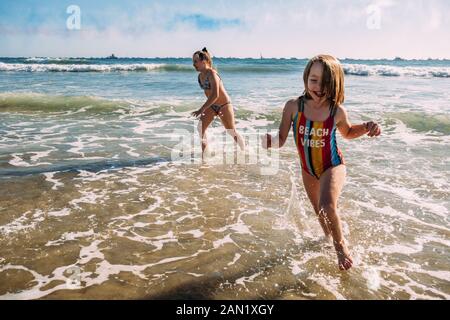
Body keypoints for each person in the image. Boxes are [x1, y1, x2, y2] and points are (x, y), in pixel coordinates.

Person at [262, 54, 381, 270]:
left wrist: (366, 126)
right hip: (308, 169)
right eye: (314, 80)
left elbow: (348, 132)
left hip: (332, 165)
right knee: (319, 210)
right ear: (306, 78)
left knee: (327, 205)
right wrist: (271, 142)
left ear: (335, 84)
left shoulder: (336, 110)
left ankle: (340, 246)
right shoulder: (292, 107)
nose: (319, 86)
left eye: (326, 82)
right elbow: (281, 139)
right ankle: (328, 238)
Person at [191, 48, 245, 156]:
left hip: (224, 105)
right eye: (193, 62)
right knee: (200, 128)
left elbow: (215, 95)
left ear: (204, 61)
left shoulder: (212, 73)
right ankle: (205, 155)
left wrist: (201, 109)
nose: (194, 64)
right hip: (212, 105)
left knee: (231, 131)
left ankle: (244, 151)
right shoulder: (200, 76)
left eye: (196, 61)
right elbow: (208, 93)